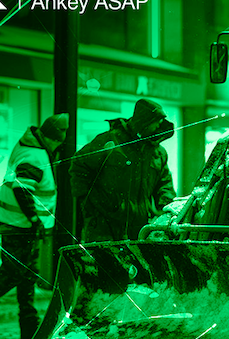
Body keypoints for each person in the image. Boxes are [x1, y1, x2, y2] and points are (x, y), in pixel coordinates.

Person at [0, 114, 68, 339]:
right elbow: (23, 189)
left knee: (27, 274)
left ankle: (28, 326)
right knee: (13, 273)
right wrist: (34, 219)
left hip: (17, 224)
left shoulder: (29, 146)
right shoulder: (35, 155)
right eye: (59, 142)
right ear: (52, 139)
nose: (58, 147)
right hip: (20, 226)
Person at [70, 98, 176, 243]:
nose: (158, 127)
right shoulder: (110, 142)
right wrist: (90, 203)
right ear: (144, 123)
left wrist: (165, 210)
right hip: (104, 226)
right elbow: (79, 165)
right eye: (155, 122)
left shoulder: (157, 153)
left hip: (140, 228)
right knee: (102, 265)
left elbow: (165, 184)